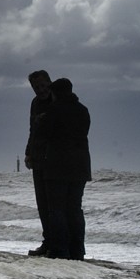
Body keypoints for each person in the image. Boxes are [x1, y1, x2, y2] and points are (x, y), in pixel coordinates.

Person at [37, 77, 91, 260]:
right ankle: (78, 249)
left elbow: (44, 134)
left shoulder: (53, 110)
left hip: (57, 166)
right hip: (81, 166)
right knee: (75, 209)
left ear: (55, 93)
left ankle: (60, 249)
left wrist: (41, 121)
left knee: (57, 210)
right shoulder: (83, 111)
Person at [23, 70, 52, 256]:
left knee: (53, 205)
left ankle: (56, 244)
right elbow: (32, 130)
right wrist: (28, 153)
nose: (40, 90)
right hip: (38, 158)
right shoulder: (35, 103)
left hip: (53, 159)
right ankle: (47, 242)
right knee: (42, 204)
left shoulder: (57, 101)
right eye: (36, 87)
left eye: (42, 85)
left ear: (49, 82)